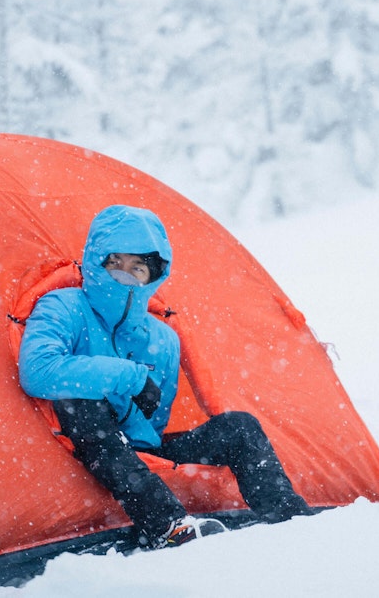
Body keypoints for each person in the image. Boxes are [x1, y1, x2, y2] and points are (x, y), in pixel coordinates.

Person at [18, 204, 311, 549]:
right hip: (85, 446)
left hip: (145, 451)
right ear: (97, 261)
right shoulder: (63, 306)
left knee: (240, 427)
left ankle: (289, 519)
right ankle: (168, 525)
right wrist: (130, 377)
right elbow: (37, 371)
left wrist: (141, 437)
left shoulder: (163, 339)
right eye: (116, 262)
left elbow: (154, 425)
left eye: (138, 266)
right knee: (79, 403)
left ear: (152, 276)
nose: (125, 274)